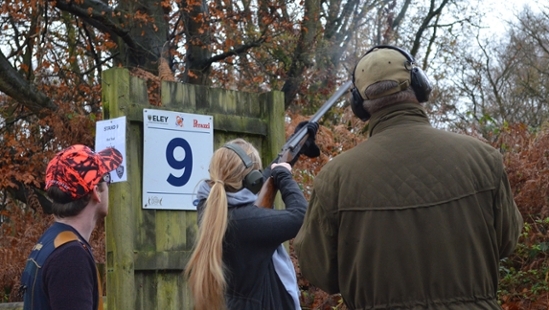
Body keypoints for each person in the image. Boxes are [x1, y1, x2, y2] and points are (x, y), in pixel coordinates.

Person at [293, 45, 524, 309]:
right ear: (419, 85)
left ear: (360, 105)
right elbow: (507, 241)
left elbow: (320, 271)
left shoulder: (334, 178)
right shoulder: (483, 158)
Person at [184, 135, 317, 310]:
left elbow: (261, 182)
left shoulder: (209, 209)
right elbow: (301, 216)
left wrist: (292, 149)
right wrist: (284, 176)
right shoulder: (248, 223)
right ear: (251, 180)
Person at [20, 144, 123, 310]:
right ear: (96, 192)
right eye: (107, 179)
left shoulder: (51, 241)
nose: (109, 187)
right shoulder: (71, 257)